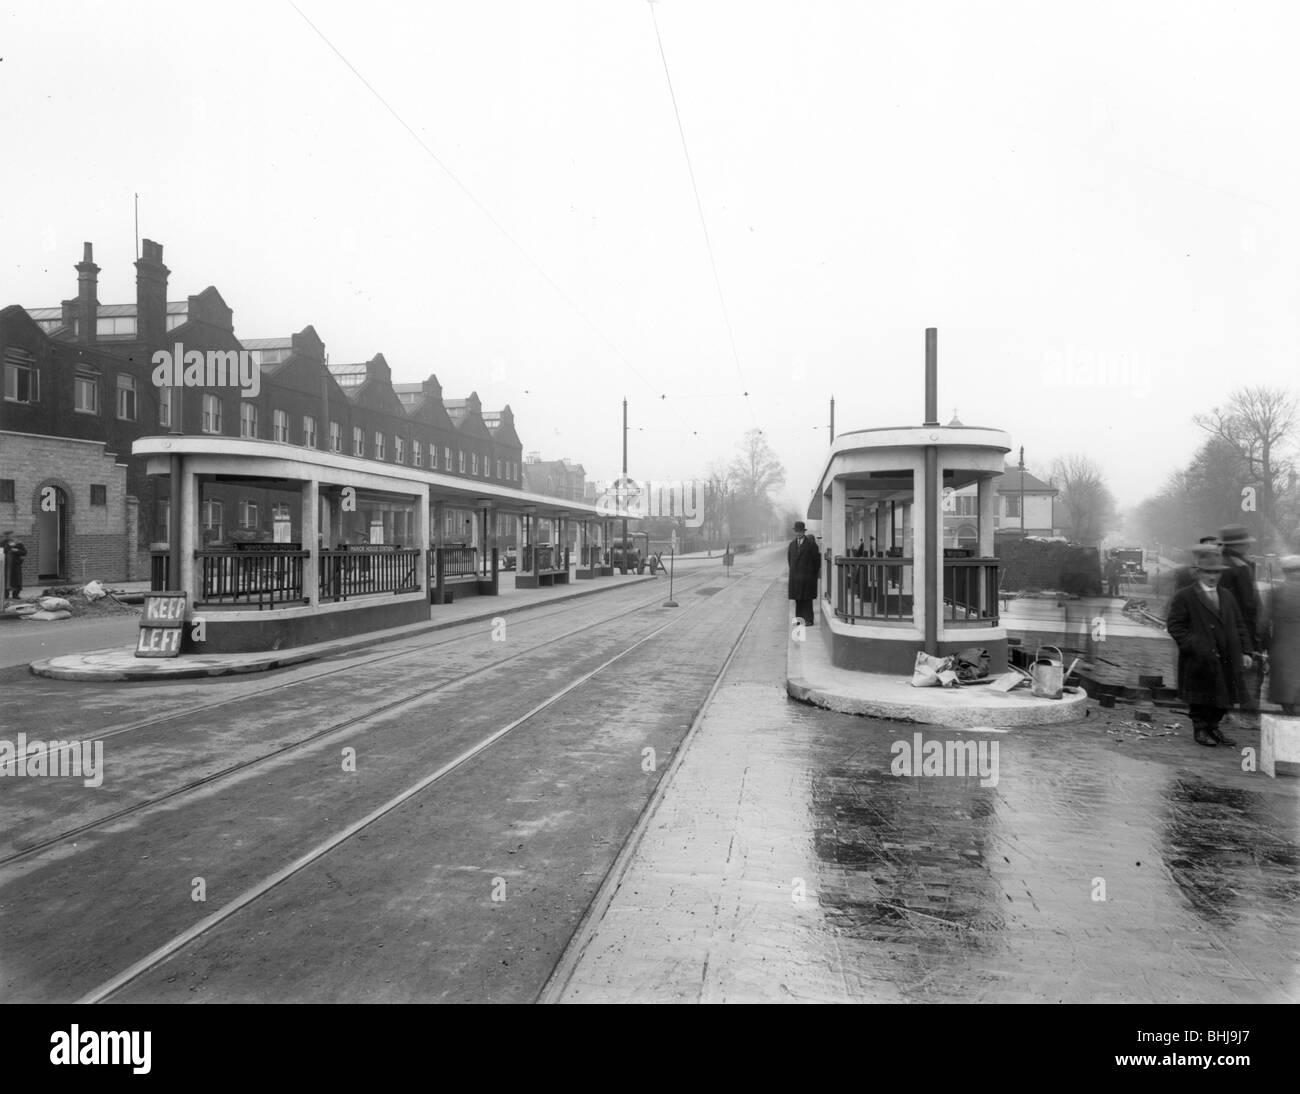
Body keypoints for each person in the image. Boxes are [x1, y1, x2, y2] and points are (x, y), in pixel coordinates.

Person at [1166, 545, 1254, 748]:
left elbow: (1240, 624)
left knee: (1225, 696)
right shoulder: (1185, 596)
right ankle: (1200, 728)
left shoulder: (1227, 596)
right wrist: (1194, 645)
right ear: (1198, 573)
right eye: (1208, 572)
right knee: (1200, 696)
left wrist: (1245, 651)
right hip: (1199, 657)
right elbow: (1175, 626)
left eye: (1216, 572)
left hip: (1227, 655)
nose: (1212, 577)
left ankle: (1213, 727)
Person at [1259, 555, 1300, 715]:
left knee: (1287, 697)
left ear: (1285, 572)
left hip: (1282, 652)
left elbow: (1262, 624)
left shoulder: (1275, 593)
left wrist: (1267, 646)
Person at [787, 521, 820, 626]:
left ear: (803, 531)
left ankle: (809, 620)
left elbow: (817, 561)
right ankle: (800, 620)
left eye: (800, 531)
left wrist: (811, 574)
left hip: (808, 577)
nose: (798, 533)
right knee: (798, 600)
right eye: (796, 531)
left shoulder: (811, 544)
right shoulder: (792, 545)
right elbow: (790, 561)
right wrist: (795, 573)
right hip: (796, 578)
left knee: (807, 600)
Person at [1, 531, 27, 599]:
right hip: (6, 565)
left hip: (15, 565)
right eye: (9, 535)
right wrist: (9, 547)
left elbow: (24, 552)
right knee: (6, 580)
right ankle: (5, 594)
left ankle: (15, 595)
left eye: (12, 535)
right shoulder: (2, 543)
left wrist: (17, 550)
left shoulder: (18, 543)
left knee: (16, 580)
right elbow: (2, 551)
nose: (11, 537)